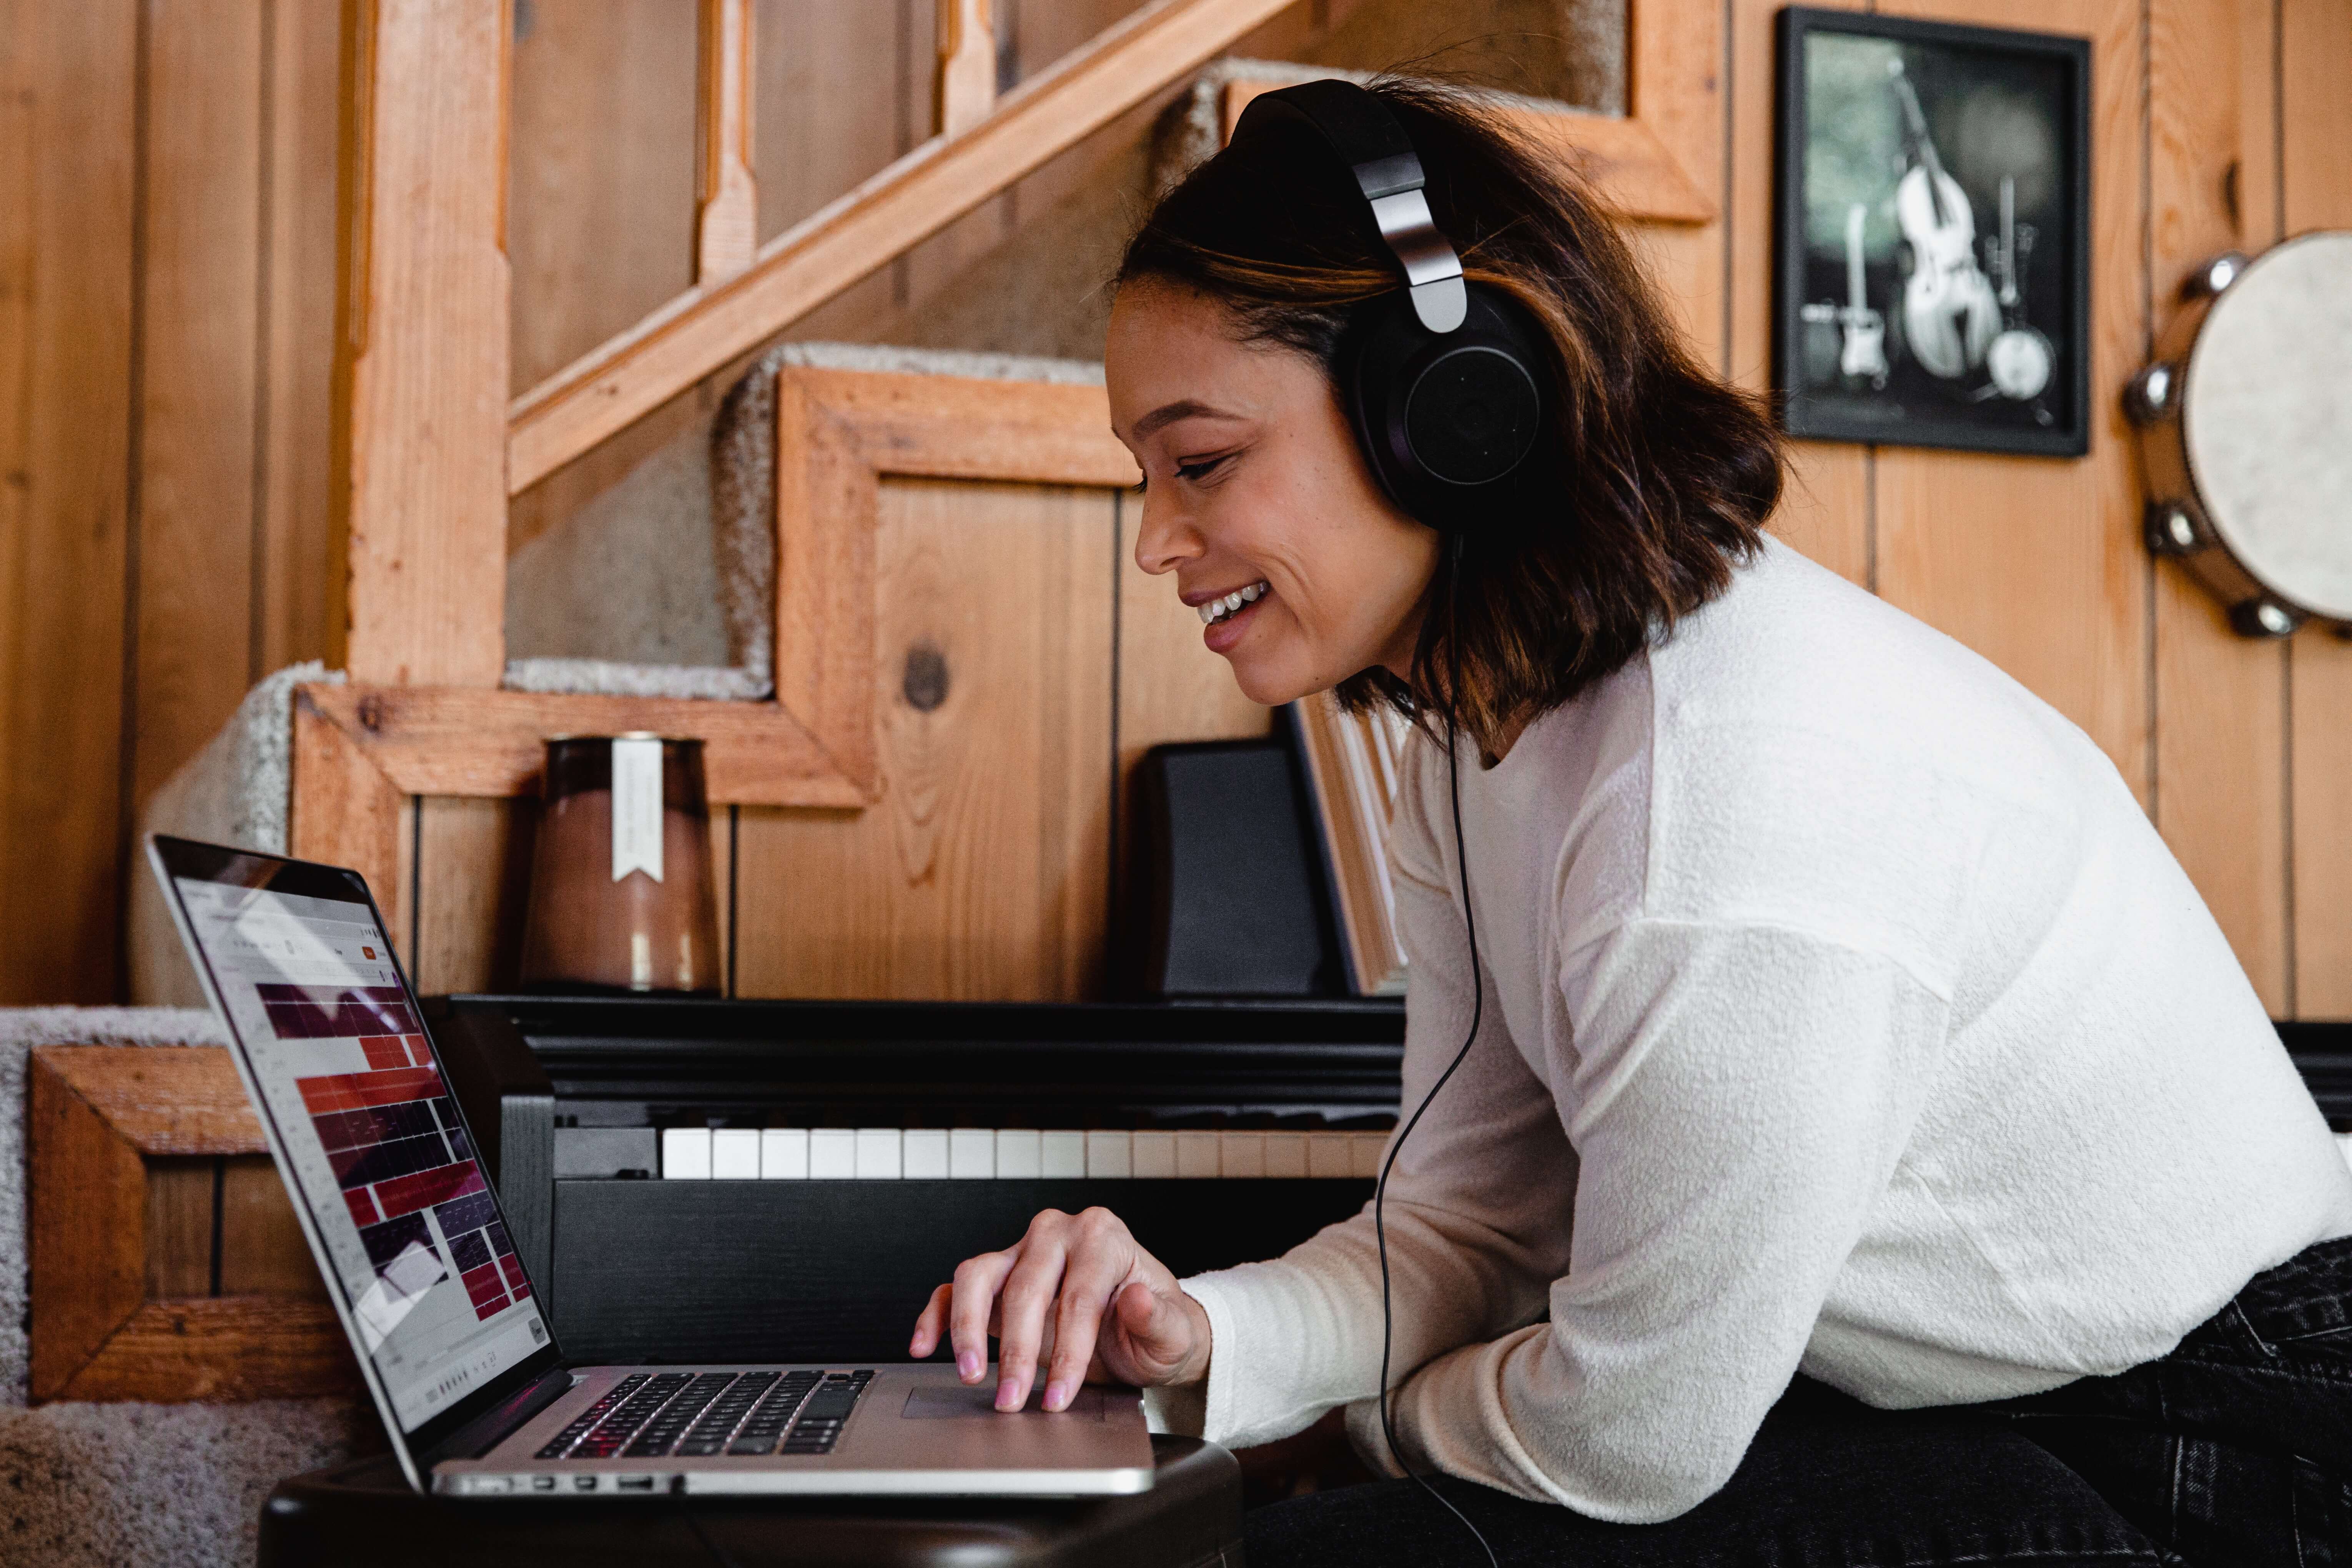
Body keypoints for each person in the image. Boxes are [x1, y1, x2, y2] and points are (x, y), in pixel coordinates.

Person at [907, 77, 2352, 1566]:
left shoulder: (1725, 808)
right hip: (1968, 1399)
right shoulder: (1479, 730)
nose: (1156, 540)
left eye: (1200, 462)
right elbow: (1472, 1230)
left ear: (1450, 412)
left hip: (2231, 1442)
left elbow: (1633, 1439)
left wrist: (1357, 1431)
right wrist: (1201, 1342)